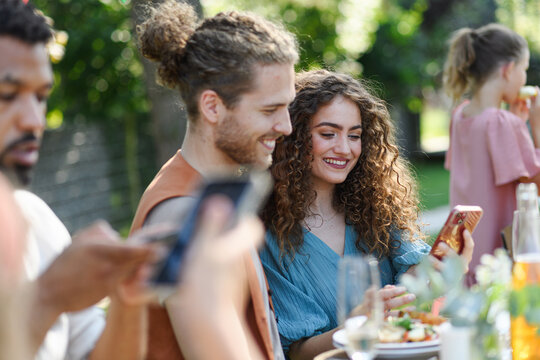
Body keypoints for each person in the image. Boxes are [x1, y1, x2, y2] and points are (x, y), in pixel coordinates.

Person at [259, 70, 474, 360]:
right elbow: (296, 353)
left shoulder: (375, 207)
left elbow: (412, 280)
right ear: (293, 136)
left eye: (355, 135)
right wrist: (353, 327)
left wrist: (443, 268)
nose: (345, 148)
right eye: (328, 134)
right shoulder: (268, 237)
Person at [129, 1, 298, 359]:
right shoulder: (179, 215)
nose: (286, 127)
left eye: (287, 107)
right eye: (269, 110)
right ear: (212, 107)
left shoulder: (212, 198)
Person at [0, 1, 157, 358]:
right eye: (8, 95)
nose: (33, 120)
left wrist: (128, 298)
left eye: (40, 96)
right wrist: (48, 297)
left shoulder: (33, 218)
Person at [443, 23, 540, 283]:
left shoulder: (459, 115)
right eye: (524, 68)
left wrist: (516, 123)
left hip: (465, 255)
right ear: (508, 70)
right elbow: (535, 184)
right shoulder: (503, 123)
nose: (524, 77)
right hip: (496, 263)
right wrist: (536, 128)